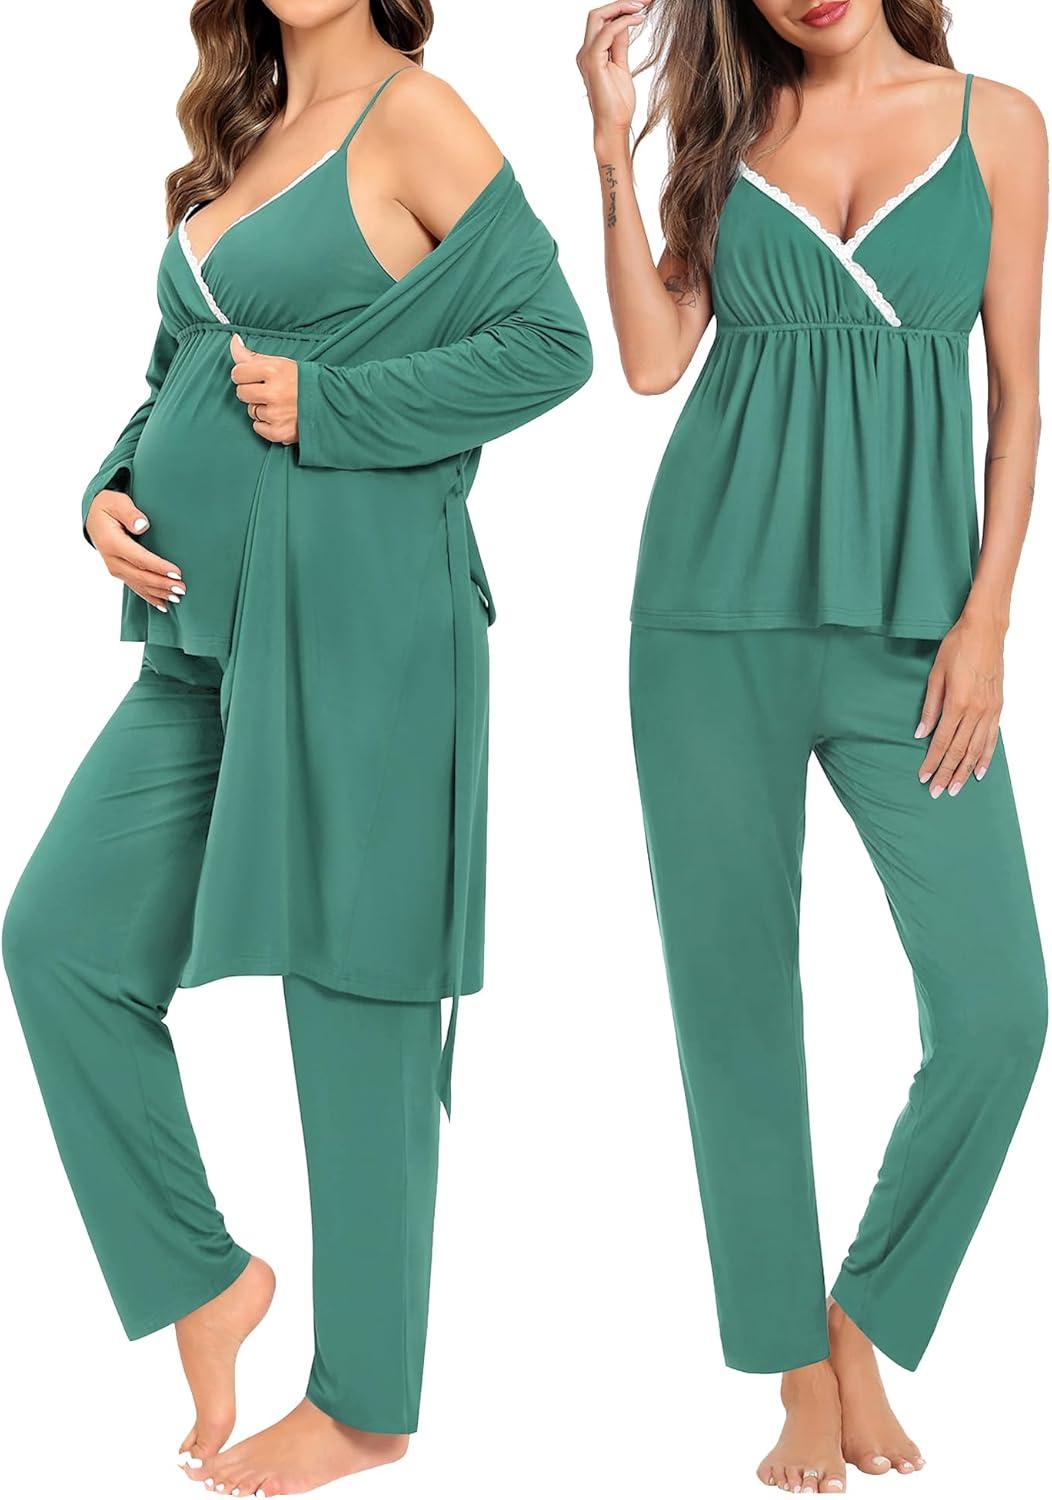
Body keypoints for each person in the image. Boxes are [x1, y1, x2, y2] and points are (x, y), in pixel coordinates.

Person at [3, 1, 591, 1494]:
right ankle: (203, 1278)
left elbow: (552, 344)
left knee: (356, 991)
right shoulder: (243, 131)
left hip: (361, 630)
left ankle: (364, 1404)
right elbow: (178, 371)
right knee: (59, 941)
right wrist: (106, 489)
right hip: (199, 642)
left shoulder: (416, 115)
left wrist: (335, 403)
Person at [578, 0, 1046, 1490]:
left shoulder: (998, 126)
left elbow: (1019, 400)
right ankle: (792, 1367)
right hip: (707, 619)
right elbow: (652, 363)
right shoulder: (725, 132)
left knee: (1000, 1007)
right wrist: (613, 146)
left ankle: (864, 1321)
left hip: (916, 636)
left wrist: (987, 621)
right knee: (735, 1008)